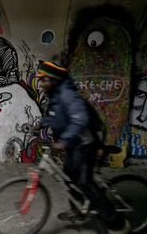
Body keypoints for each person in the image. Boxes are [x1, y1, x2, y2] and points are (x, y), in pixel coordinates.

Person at [35, 60, 130, 234]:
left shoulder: (67, 94)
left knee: (85, 182)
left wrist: (63, 141)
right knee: (68, 176)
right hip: (75, 143)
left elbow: (80, 119)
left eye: (44, 80)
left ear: (54, 80)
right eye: (40, 80)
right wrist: (41, 124)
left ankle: (117, 223)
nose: (41, 84)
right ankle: (79, 209)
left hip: (86, 143)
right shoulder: (55, 95)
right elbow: (56, 117)